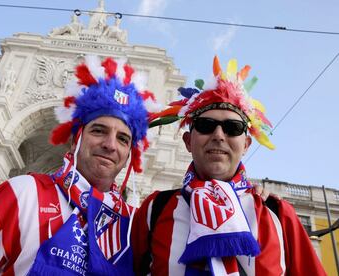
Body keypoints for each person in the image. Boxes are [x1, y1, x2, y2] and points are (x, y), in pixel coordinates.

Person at [0, 56, 161, 275]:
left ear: (130, 153)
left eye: (123, 139)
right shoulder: (23, 193)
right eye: (99, 131)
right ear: (75, 140)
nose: (111, 145)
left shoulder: (135, 225)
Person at [132, 56, 327, 275]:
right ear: (188, 141)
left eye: (232, 128)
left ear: (246, 144)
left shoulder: (278, 214)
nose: (218, 135)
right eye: (206, 125)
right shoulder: (153, 209)